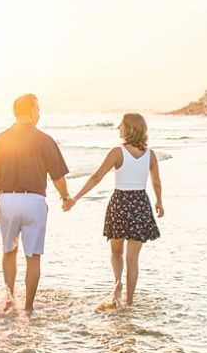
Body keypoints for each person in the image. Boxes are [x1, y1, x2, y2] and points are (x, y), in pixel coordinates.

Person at [64, 113, 163, 307]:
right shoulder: (150, 155)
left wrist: (75, 197)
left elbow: (97, 176)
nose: (118, 127)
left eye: (121, 125)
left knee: (116, 251)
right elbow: (156, 182)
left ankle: (117, 282)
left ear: (129, 128)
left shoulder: (117, 152)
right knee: (133, 257)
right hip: (140, 203)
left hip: (119, 203)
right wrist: (159, 201)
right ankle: (129, 301)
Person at [0, 94, 71, 311]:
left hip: (7, 199)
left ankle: (9, 298)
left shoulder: (0, 139)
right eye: (38, 109)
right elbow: (57, 177)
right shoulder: (45, 139)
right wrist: (65, 197)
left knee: (9, 252)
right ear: (32, 111)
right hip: (34, 200)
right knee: (33, 257)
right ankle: (29, 307)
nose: (39, 114)